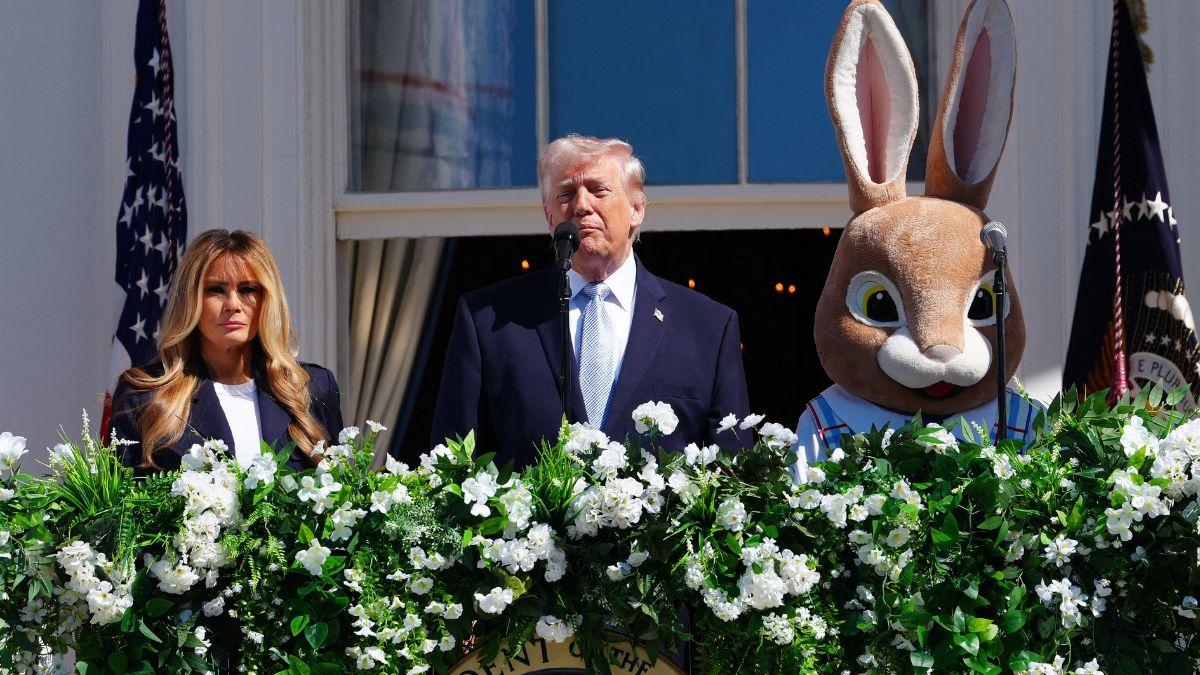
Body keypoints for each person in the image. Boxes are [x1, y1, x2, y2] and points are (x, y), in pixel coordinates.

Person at [431, 134, 750, 467]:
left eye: (599, 190)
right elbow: (454, 467)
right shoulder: (489, 320)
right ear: (550, 217)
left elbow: (733, 473)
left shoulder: (706, 327)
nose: (581, 205)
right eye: (566, 194)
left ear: (637, 209)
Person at [110, 229, 343, 474]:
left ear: (267, 299)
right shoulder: (143, 394)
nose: (233, 305)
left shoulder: (311, 387)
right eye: (216, 290)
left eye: (247, 290)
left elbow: (339, 495)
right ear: (191, 300)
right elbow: (124, 507)